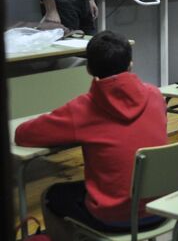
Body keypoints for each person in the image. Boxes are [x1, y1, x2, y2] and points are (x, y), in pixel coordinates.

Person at [14, 31, 167, 240]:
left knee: (51, 196)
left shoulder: (83, 109)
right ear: (130, 64)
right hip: (162, 207)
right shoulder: (155, 95)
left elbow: (23, 135)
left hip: (112, 216)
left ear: (88, 68)